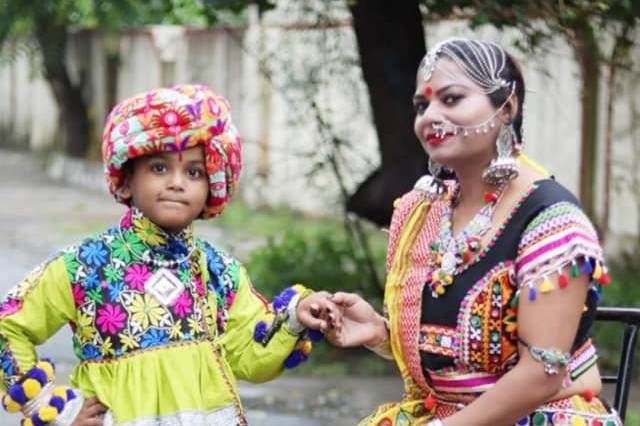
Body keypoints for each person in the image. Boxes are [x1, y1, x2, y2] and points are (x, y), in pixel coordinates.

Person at [324, 38, 623, 425]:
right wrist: (381, 334)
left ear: (506, 108)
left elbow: (542, 375)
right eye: (421, 105)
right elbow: (457, 355)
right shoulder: (421, 211)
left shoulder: (551, 222)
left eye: (451, 99)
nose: (429, 116)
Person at [0, 84, 335, 426]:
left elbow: (251, 355)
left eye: (194, 172)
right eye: (159, 168)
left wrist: (295, 318)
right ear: (127, 180)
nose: (177, 183)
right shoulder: (84, 266)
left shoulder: (220, 271)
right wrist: (52, 408)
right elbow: (8, 327)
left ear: (211, 189)